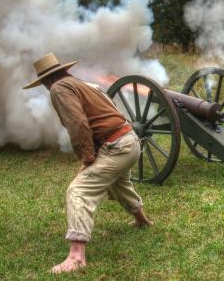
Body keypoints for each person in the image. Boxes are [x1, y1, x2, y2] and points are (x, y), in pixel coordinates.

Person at [23, 53, 151, 274]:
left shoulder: (59, 89)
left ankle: (76, 257)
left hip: (116, 146)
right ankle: (142, 220)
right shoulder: (80, 83)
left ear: (45, 80)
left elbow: (77, 123)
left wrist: (88, 158)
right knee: (119, 184)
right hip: (129, 141)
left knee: (79, 191)